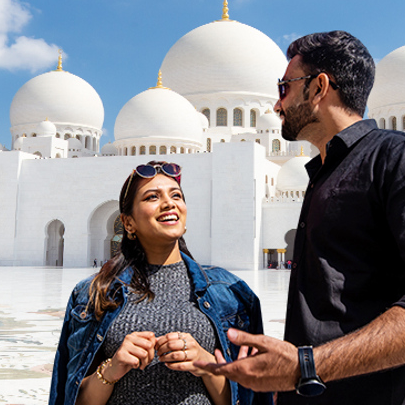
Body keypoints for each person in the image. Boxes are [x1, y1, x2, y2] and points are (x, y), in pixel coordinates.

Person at [196, 31, 405, 404]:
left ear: (318, 88)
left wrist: (308, 366)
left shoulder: (397, 158)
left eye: (284, 88)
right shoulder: (322, 174)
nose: (276, 104)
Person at [49, 161, 268, 405]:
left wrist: (206, 365)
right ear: (128, 223)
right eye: (152, 196)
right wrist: (112, 369)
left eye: (176, 195)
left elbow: (251, 397)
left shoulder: (229, 293)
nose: (169, 203)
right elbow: (69, 397)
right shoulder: (93, 293)